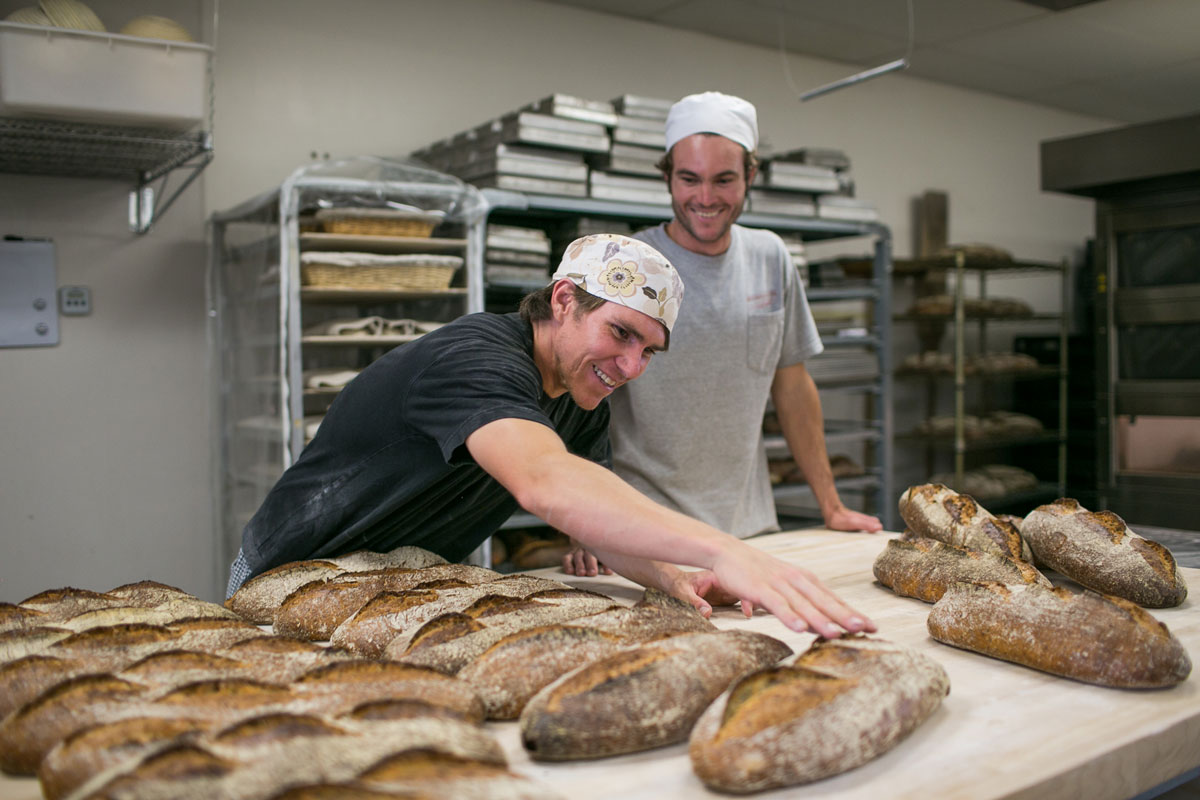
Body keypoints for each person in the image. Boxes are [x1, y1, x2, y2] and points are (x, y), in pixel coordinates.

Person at [225, 233, 874, 639]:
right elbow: (546, 482)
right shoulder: (478, 358)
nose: (630, 368)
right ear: (563, 300)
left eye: (650, 351)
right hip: (290, 575)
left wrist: (675, 577)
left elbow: (591, 519)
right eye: (621, 334)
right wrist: (724, 549)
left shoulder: (583, 397)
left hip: (388, 590)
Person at [568, 92, 881, 579]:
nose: (706, 198)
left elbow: (792, 386)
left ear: (750, 176)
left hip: (749, 530)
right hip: (641, 535)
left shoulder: (771, 258)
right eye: (689, 178)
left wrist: (831, 505)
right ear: (667, 175)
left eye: (724, 180)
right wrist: (584, 523)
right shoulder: (626, 265)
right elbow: (574, 394)